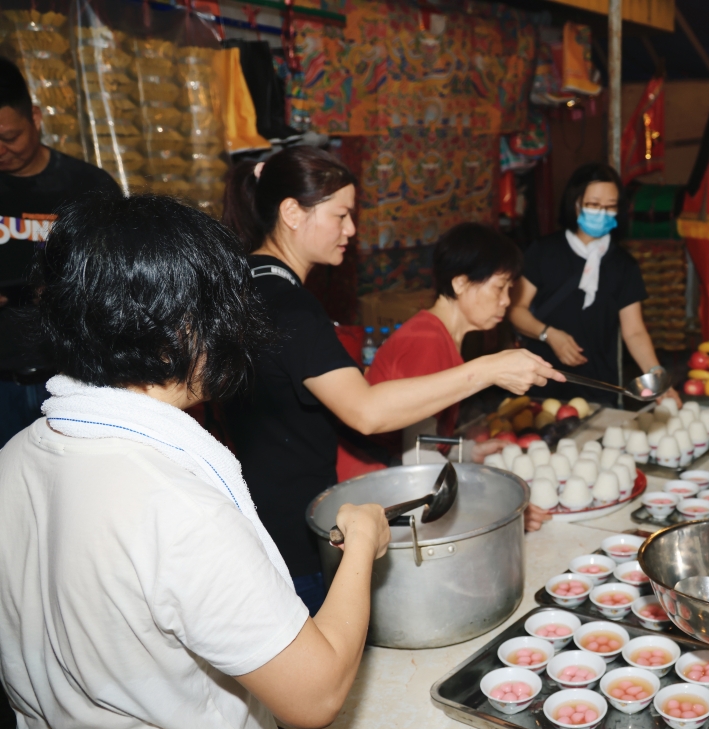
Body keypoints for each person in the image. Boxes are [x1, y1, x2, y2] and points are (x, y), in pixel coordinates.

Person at [0, 193, 393, 729]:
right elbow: (316, 695)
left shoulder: (17, 456)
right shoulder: (174, 502)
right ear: (180, 327)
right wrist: (361, 544)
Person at [221, 147, 560, 614]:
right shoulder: (289, 305)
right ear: (292, 213)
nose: (351, 230)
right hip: (293, 534)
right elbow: (366, 412)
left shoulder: (248, 284)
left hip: (263, 516)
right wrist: (489, 369)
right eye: (341, 215)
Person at [337, 221, 553, 530]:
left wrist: (469, 451)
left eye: (510, 289)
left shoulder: (440, 337)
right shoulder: (426, 342)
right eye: (499, 287)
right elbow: (417, 461)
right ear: (460, 283)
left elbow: (420, 438)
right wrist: (499, 503)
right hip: (373, 498)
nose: (507, 300)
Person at [0, 56, 120, 447]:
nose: (0, 150)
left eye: (9, 137)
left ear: (35, 117)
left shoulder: (88, 186)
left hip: (72, 378)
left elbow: (113, 281)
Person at [509, 162, 678, 406]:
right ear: (575, 203)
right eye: (594, 204)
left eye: (610, 206)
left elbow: (634, 331)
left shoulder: (624, 265)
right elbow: (516, 310)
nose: (602, 212)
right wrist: (549, 334)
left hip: (600, 388)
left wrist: (657, 378)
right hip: (540, 386)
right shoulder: (544, 252)